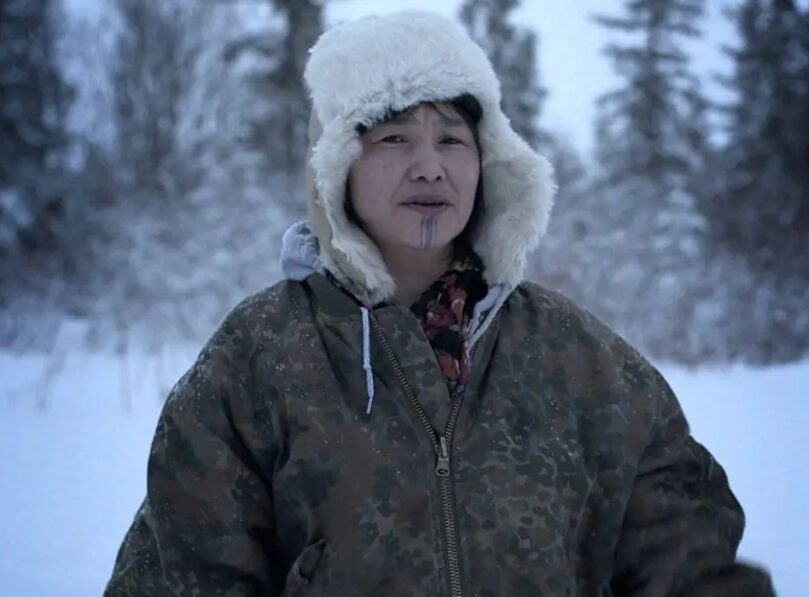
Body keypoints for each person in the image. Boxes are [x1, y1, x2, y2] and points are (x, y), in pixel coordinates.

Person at [105, 10, 774, 596]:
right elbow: (185, 569)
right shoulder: (258, 357)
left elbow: (689, 561)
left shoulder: (581, 360)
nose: (430, 165)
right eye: (393, 137)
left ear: (489, 163)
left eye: (452, 139)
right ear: (337, 165)